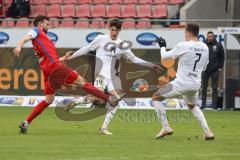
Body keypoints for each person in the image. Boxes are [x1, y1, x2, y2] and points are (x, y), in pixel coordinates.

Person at [13, 15, 124, 134]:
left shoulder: (42, 40)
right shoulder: (36, 31)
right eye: (47, 24)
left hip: (48, 71)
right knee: (82, 82)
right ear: (40, 25)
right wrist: (19, 47)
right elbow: (25, 38)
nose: (49, 26)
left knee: (49, 100)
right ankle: (109, 99)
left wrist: (64, 58)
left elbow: (48, 59)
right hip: (55, 68)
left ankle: (26, 122)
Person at [64, 18, 162, 135]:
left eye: (116, 30)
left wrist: (150, 65)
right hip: (101, 75)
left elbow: (133, 58)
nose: (114, 32)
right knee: (96, 98)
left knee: (116, 101)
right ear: (109, 28)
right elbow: (87, 48)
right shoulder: (101, 39)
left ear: (120, 30)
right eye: (112, 30)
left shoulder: (122, 45)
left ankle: (103, 128)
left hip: (114, 77)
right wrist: (71, 57)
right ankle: (76, 102)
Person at [152, 24, 214, 140]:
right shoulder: (205, 47)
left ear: (189, 33)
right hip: (195, 85)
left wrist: (162, 46)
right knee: (193, 107)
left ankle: (166, 127)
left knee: (155, 98)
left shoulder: (184, 45)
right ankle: (208, 132)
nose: (184, 36)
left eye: (185, 33)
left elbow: (165, 57)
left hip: (181, 83)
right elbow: (204, 68)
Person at [201, 31, 225, 110]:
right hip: (205, 70)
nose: (210, 37)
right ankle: (203, 104)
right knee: (203, 87)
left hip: (215, 70)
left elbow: (222, 57)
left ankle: (214, 105)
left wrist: (220, 68)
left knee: (214, 88)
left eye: (211, 36)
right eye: (209, 36)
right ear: (207, 37)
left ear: (214, 37)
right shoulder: (203, 45)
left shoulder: (218, 45)